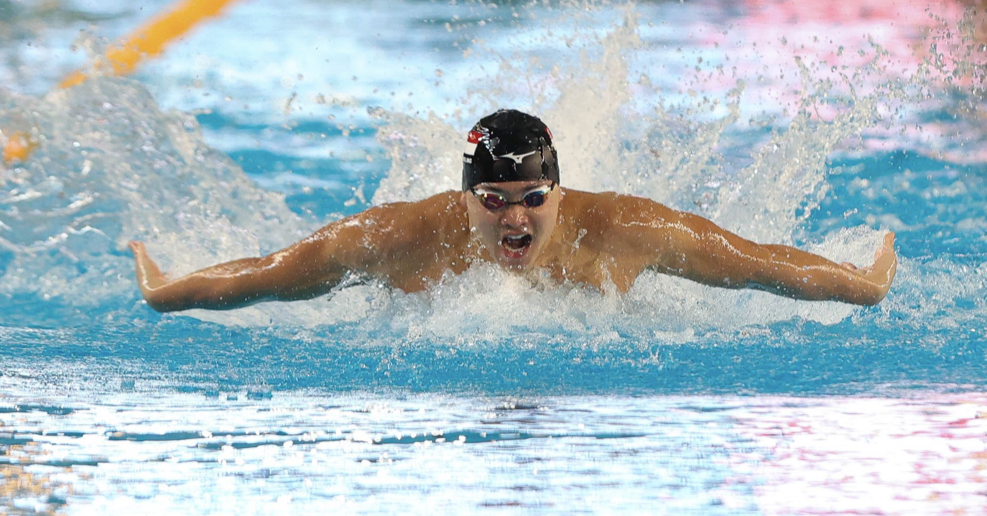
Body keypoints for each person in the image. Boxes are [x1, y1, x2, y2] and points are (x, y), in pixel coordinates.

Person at [130, 109, 897, 312]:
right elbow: (273, 274)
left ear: (558, 194)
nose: (514, 219)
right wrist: (175, 290)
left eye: (533, 199)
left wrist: (857, 282)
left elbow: (759, 263)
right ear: (464, 199)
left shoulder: (628, 230)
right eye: (492, 202)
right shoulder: (398, 238)